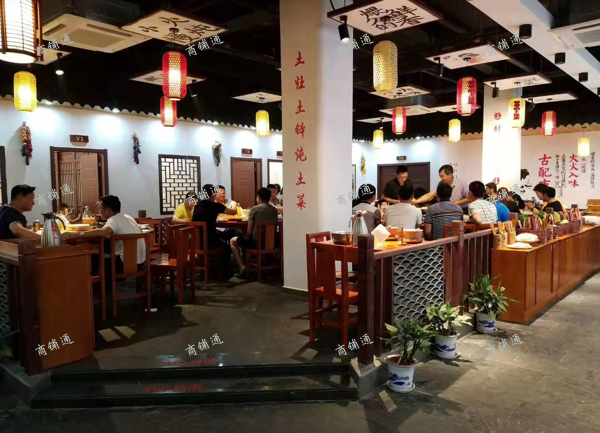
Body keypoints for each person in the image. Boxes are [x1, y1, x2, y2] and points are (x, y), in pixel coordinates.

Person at [63, 195, 146, 270]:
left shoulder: (113, 219)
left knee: (90, 259)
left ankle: (96, 283)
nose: (99, 212)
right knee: (103, 252)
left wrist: (78, 234)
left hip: (125, 264)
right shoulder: (128, 217)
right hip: (141, 263)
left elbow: (103, 232)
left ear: (107, 210)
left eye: (100, 209)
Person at [230, 188, 279, 277]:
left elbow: (249, 231)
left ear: (258, 197)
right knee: (246, 240)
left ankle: (242, 267)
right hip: (272, 243)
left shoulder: (255, 209)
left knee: (233, 241)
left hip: (256, 244)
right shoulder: (274, 210)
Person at [192, 184, 238, 249]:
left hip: (196, 242)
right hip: (210, 242)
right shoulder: (215, 205)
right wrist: (234, 204)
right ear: (213, 194)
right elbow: (234, 212)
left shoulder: (197, 205)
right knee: (231, 236)